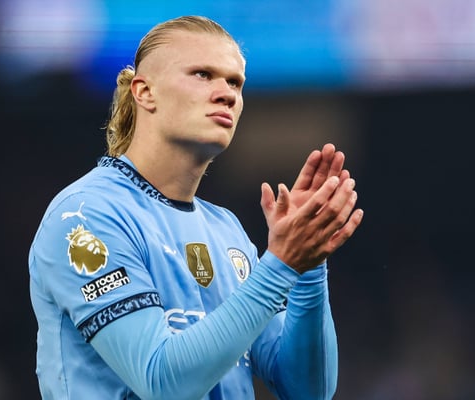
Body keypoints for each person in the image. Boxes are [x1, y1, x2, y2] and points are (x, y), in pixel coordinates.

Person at [28, 15, 363, 400]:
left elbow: (308, 390)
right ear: (145, 92)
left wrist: (308, 265)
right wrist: (280, 265)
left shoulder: (226, 229)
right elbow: (162, 382)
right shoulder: (86, 216)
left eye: (235, 82)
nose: (227, 94)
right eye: (203, 75)